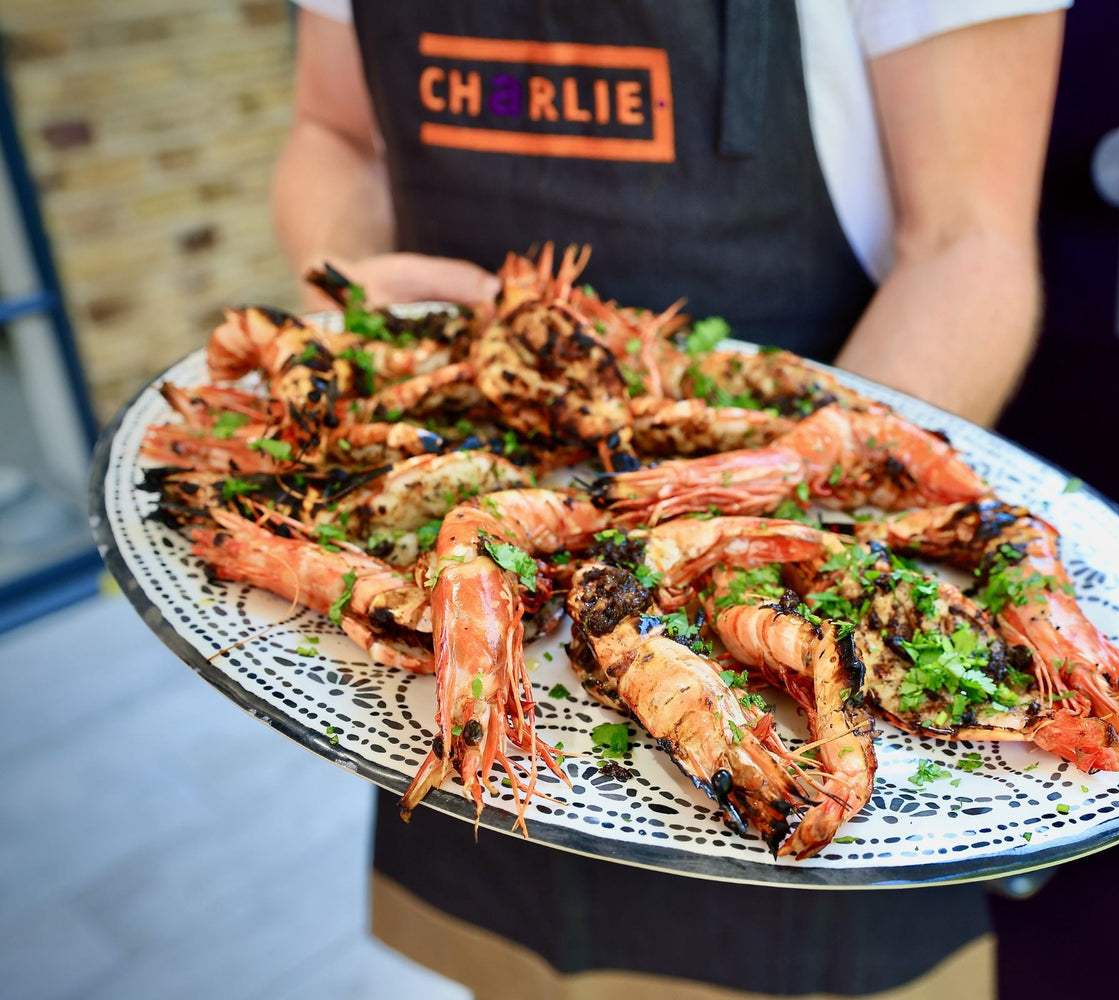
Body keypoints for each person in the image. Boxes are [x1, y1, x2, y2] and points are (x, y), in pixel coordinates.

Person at [273, 2, 1066, 996]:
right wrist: (357, 300)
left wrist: (787, 512)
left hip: (775, 571)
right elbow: (334, 134)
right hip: (456, 601)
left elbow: (967, 238)